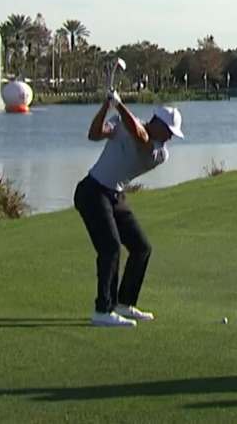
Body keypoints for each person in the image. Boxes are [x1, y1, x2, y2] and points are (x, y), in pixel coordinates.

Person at [73, 91, 184, 327]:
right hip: (92, 192)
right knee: (110, 247)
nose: (170, 138)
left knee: (141, 248)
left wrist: (120, 105)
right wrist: (107, 106)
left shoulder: (160, 152)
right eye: (169, 132)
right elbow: (94, 134)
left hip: (115, 195)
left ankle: (124, 304)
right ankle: (103, 310)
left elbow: (140, 137)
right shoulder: (123, 122)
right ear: (157, 123)